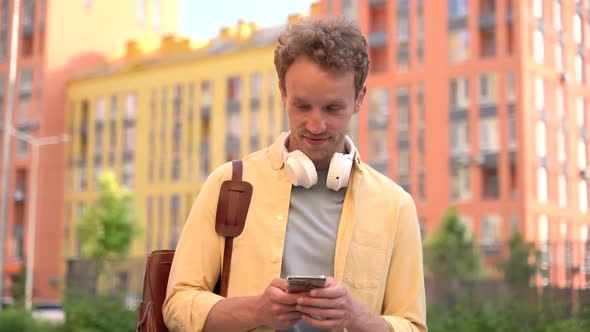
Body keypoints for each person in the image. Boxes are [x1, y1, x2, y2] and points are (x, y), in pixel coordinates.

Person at [163, 17, 427, 332]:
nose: (316, 125)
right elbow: (177, 305)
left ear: (359, 99)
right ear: (283, 93)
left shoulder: (395, 205)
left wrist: (355, 318)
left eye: (332, 109)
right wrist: (256, 312)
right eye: (302, 106)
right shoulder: (227, 185)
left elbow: (412, 325)